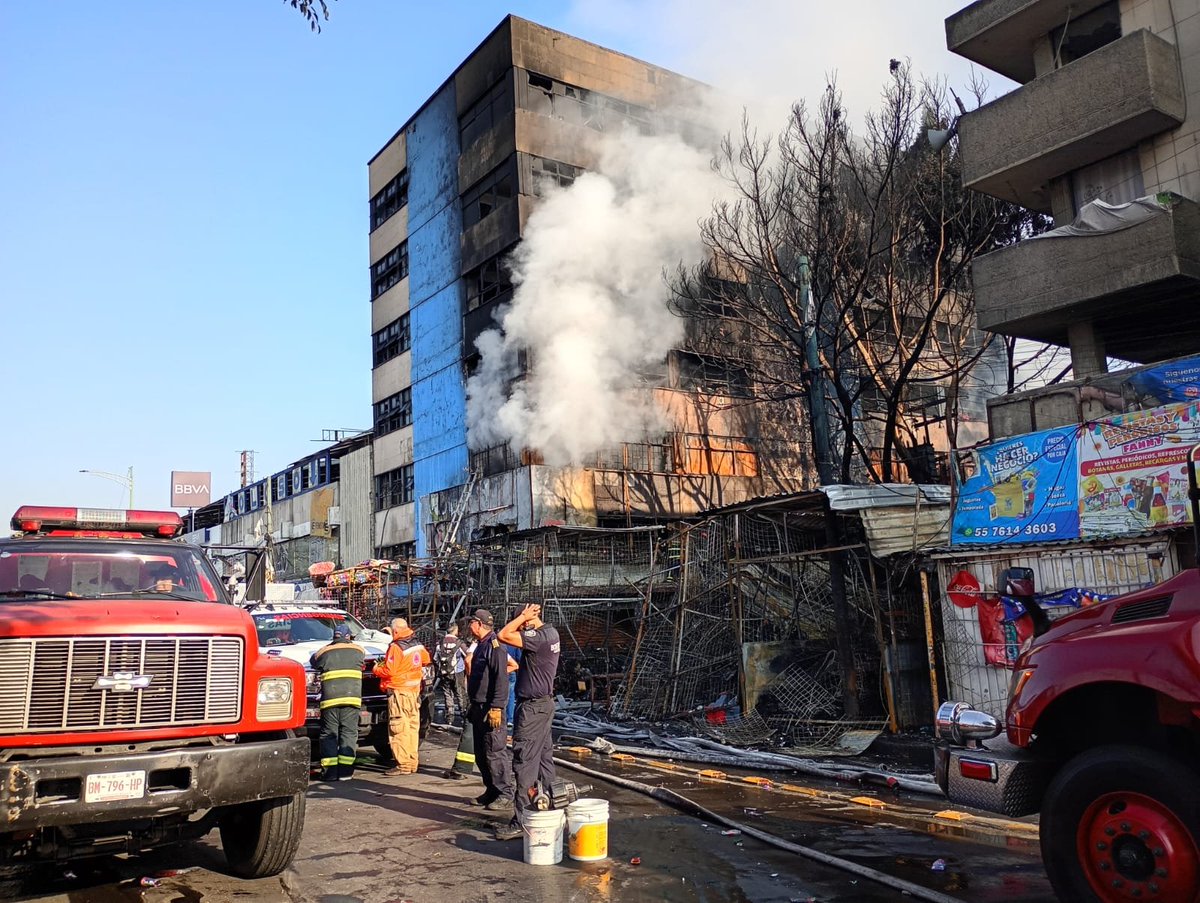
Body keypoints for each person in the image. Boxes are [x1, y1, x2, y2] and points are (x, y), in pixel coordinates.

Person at [494, 603, 562, 840]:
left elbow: (503, 635)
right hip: (544, 704)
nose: (520, 630)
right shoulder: (551, 633)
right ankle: (551, 807)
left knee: (525, 763)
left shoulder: (539, 637)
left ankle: (522, 820)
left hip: (533, 708)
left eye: (522, 625)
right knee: (543, 759)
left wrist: (522, 616)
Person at [465, 608, 513, 812]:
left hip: (490, 708)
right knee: (481, 753)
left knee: (494, 752)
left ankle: (505, 793)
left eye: (471, 622)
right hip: (478, 706)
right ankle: (491, 790)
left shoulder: (495, 647)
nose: (469, 626)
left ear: (478, 624)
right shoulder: (481, 645)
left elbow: (501, 679)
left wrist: (497, 707)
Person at [373, 617, 430, 776]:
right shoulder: (417, 644)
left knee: (398, 728)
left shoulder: (396, 647)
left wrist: (377, 668)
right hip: (414, 692)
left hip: (399, 692)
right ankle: (411, 763)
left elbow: (389, 671)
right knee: (412, 728)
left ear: (395, 630)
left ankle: (403, 765)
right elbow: (426, 660)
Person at [310, 622, 365, 781]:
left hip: (330, 701)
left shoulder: (325, 651)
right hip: (351, 699)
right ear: (348, 636)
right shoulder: (358, 650)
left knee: (329, 735)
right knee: (349, 733)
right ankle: (346, 773)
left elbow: (314, 661)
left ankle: (330, 773)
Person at [436, 623, 468, 724]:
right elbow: (468, 654)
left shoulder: (440, 642)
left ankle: (449, 716)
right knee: (460, 693)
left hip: (444, 672)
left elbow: (435, 658)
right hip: (457, 671)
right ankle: (464, 714)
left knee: (447, 693)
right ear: (455, 630)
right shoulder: (459, 643)